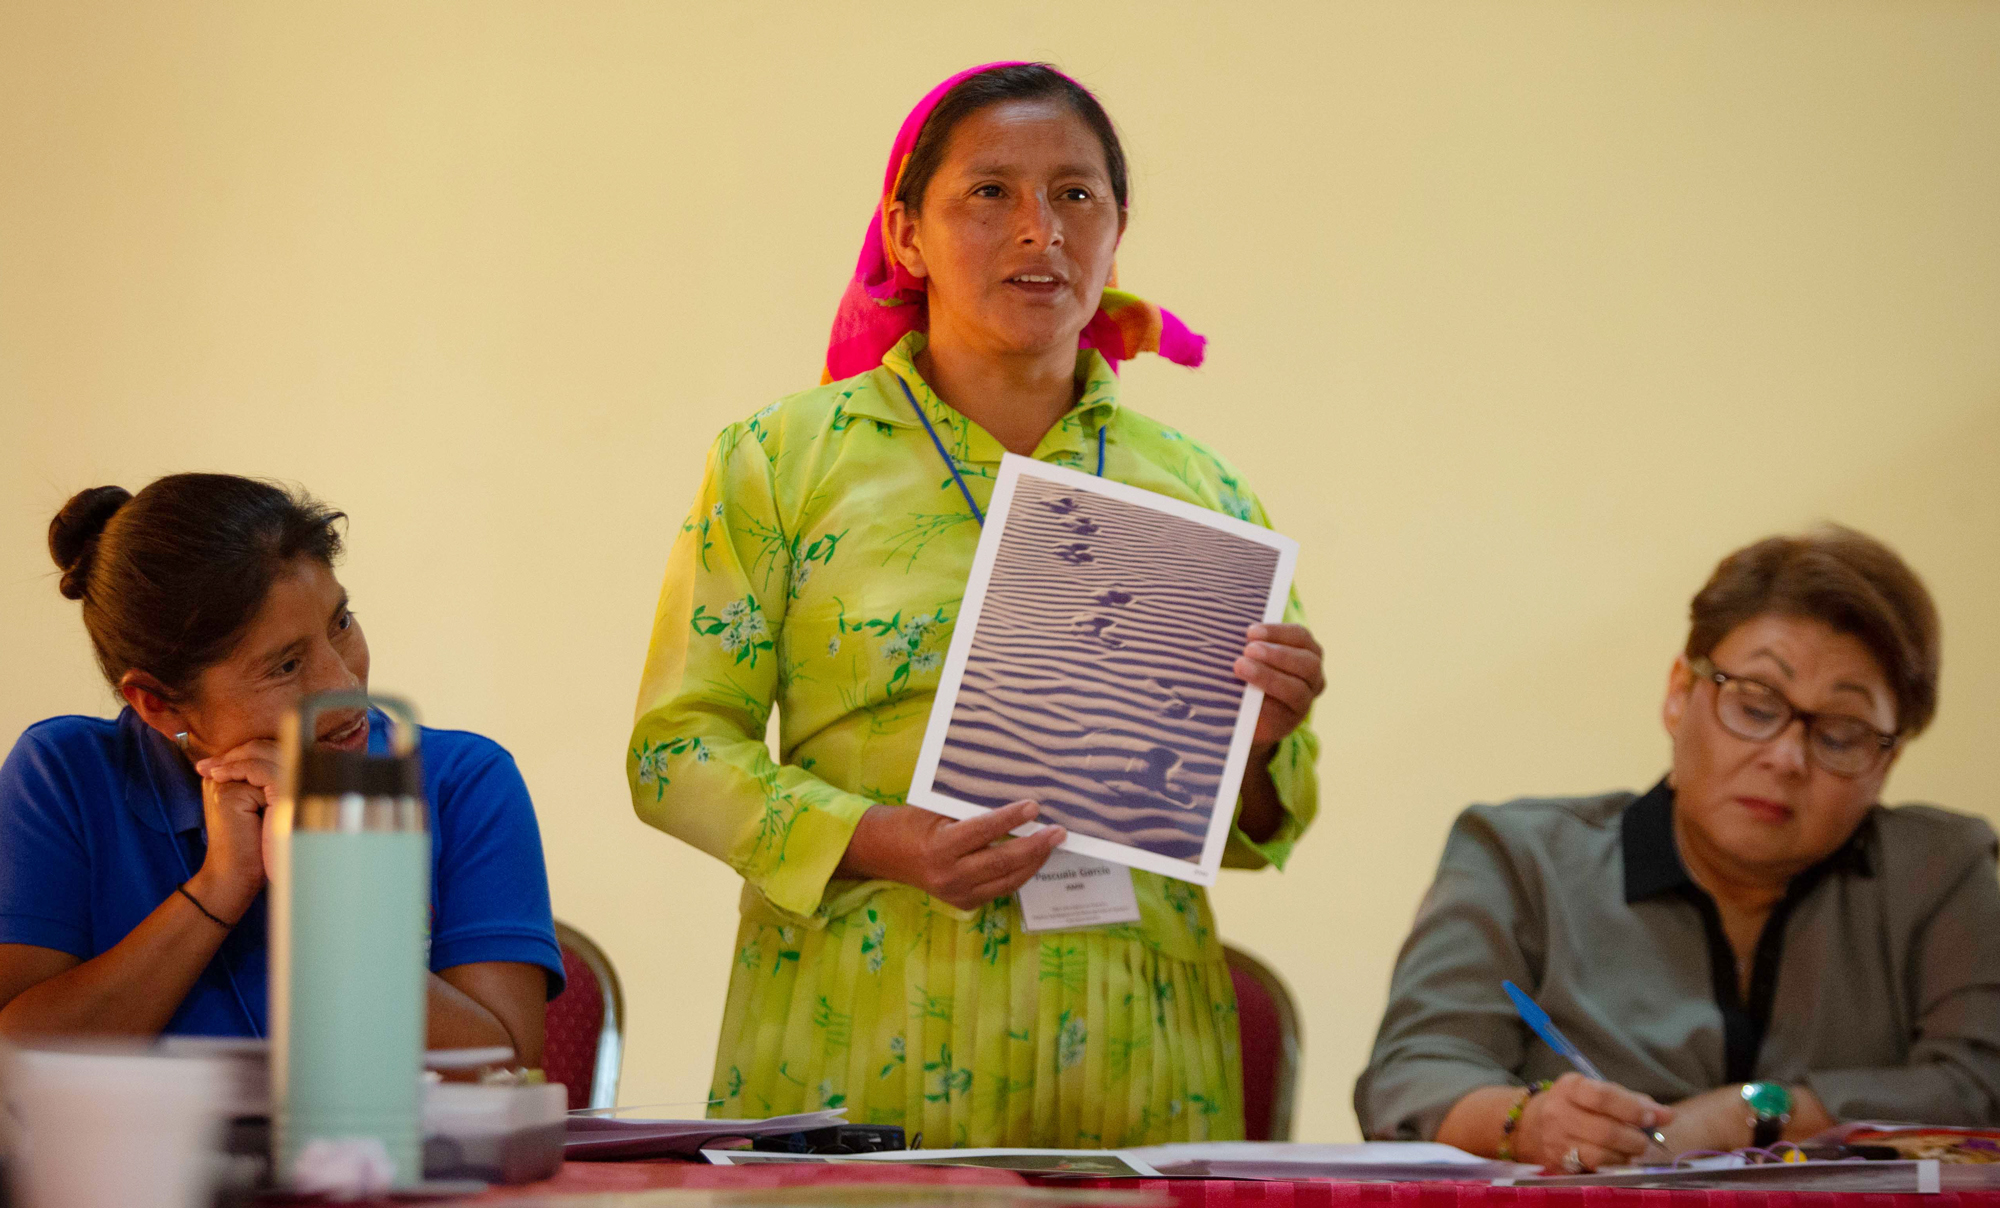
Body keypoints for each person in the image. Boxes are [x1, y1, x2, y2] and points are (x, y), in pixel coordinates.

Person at [628, 62, 1324, 1148]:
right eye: (988, 192)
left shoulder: (1202, 491)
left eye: (1074, 195)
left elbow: (1255, 830)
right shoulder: (783, 459)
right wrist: (880, 836)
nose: (1037, 230)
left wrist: (1262, 733)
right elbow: (673, 752)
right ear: (904, 233)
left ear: (1117, 227)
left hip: (1128, 1060)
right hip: (859, 1039)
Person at [1355, 526, 2000, 1170]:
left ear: (1887, 762)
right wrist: (1530, 1124)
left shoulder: (1940, 872)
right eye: (1756, 704)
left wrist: (1746, 1115)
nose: (1786, 757)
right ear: (1678, 693)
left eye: (1841, 733)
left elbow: (1981, 1084)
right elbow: (1412, 1077)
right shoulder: (1521, 858)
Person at [0, 474, 564, 1061]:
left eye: (340, 625)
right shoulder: (61, 776)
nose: (345, 687)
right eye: (287, 665)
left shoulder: (462, 781)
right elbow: (14, 1065)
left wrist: (322, 880)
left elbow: (507, 1070)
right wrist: (220, 887)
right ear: (157, 704)